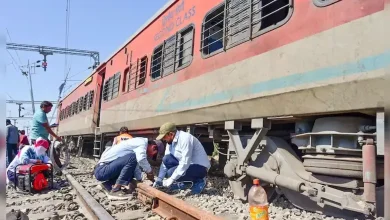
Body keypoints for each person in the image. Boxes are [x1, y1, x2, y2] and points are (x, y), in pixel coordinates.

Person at [153, 122, 210, 194]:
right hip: (188, 166)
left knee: (171, 173)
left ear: (171, 134)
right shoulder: (170, 142)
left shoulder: (185, 139)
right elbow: (165, 163)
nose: (164, 139)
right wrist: (159, 179)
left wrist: (172, 179)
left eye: (164, 137)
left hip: (200, 167)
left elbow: (185, 162)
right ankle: (187, 183)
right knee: (166, 159)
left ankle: (199, 181)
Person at [94, 137, 158, 198]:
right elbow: (141, 159)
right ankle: (115, 190)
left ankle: (107, 185)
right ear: (153, 147)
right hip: (102, 170)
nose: (150, 156)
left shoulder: (137, 144)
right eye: (153, 154)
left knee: (131, 166)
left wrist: (139, 180)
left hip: (103, 169)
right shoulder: (142, 143)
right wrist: (150, 172)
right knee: (133, 157)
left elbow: (134, 166)